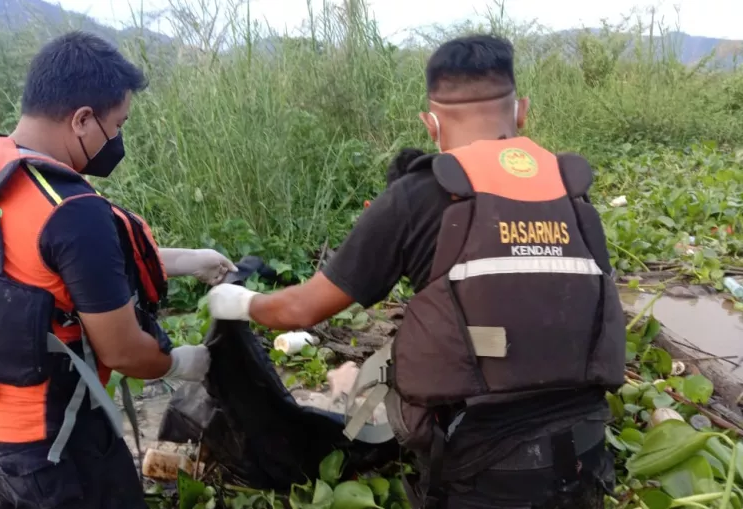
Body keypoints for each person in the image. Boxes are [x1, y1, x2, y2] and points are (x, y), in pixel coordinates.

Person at [207, 34, 626, 508]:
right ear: (522, 111)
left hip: (479, 469)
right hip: (584, 450)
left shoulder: (418, 194)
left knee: (389, 371)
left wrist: (240, 302)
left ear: (431, 124)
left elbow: (301, 310)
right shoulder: (570, 187)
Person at [0, 31, 235, 509]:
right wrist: (183, 363)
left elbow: (38, 264)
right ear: (82, 120)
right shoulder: (73, 209)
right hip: (40, 443)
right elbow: (123, 351)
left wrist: (189, 260)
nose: (117, 139)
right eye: (117, 125)